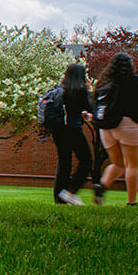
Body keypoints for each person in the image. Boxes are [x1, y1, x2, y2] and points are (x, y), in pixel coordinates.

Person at [93, 52, 138, 205]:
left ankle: (102, 186)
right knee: (132, 165)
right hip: (129, 125)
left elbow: (95, 104)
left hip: (106, 128)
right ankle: (131, 202)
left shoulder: (103, 83)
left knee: (118, 163)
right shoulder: (136, 81)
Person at [50, 63, 94, 205]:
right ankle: (70, 191)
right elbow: (91, 107)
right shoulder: (80, 90)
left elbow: (72, 109)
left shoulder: (61, 89)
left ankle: (59, 199)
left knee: (64, 162)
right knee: (86, 161)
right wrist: (89, 90)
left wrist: (81, 114)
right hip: (73, 129)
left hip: (59, 130)